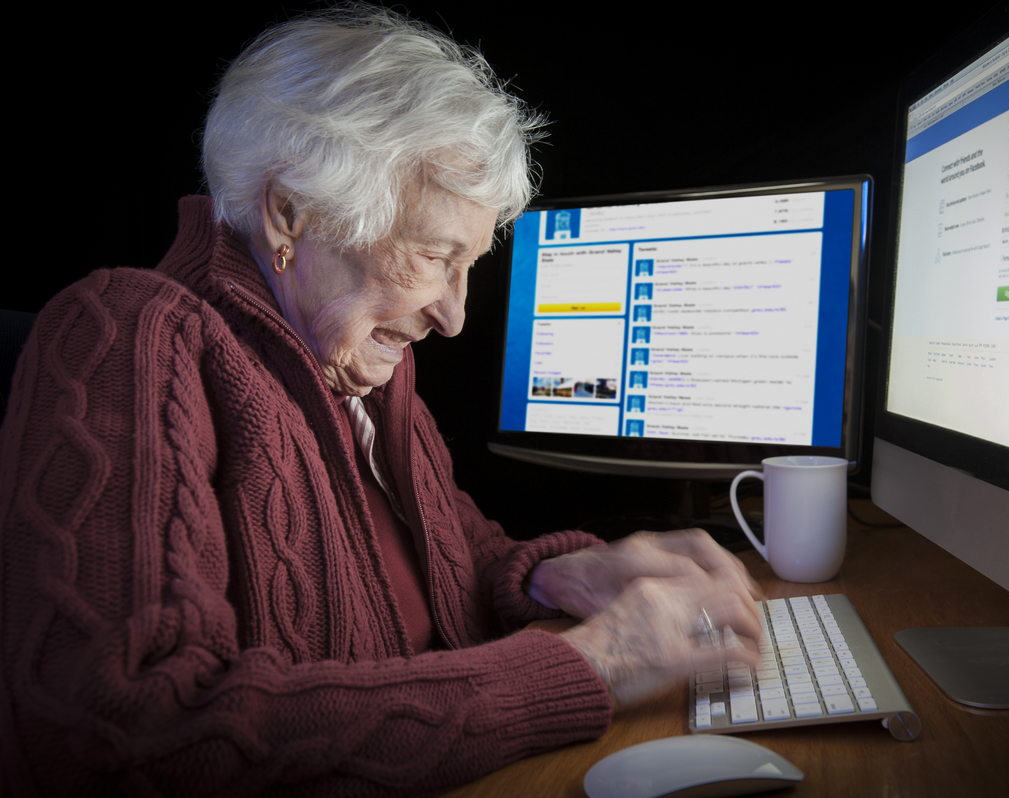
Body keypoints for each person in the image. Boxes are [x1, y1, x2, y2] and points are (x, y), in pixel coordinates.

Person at [0, 6, 761, 796]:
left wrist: (564, 575)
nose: (455, 315)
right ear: (290, 212)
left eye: (467, 263)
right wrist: (594, 662)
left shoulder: (369, 374)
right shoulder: (128, 334)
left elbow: (462, 559)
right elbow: (118, 731)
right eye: (434, 256)